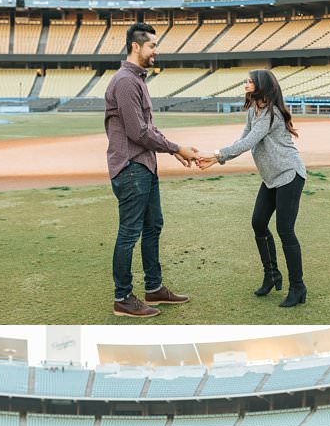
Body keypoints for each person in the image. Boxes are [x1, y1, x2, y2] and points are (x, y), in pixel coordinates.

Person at [103, 21, 205, 318]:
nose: (155, 51)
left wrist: (173, 152)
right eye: (152, 46)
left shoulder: (137, 80)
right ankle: (122, 297)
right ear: (136, 47)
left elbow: (148, 128)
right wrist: (176, 148)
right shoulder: (125, 81)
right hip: (131, 168)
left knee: (152, 227)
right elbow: (138, 132)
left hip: (144, 166)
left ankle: (154, 287)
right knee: (129, 233)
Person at [205, 69, 309, 308]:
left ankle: (298, 287)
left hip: (289, 174)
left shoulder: (271, 113)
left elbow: (250, 142)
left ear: (261, 85)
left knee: (285, 230)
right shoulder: (254, 110)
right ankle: (272, 275)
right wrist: (216, 158)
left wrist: (216, 154)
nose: (246, 83)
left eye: (250, 81)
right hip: (271, 177)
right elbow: (242, 140)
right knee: (258, 223)